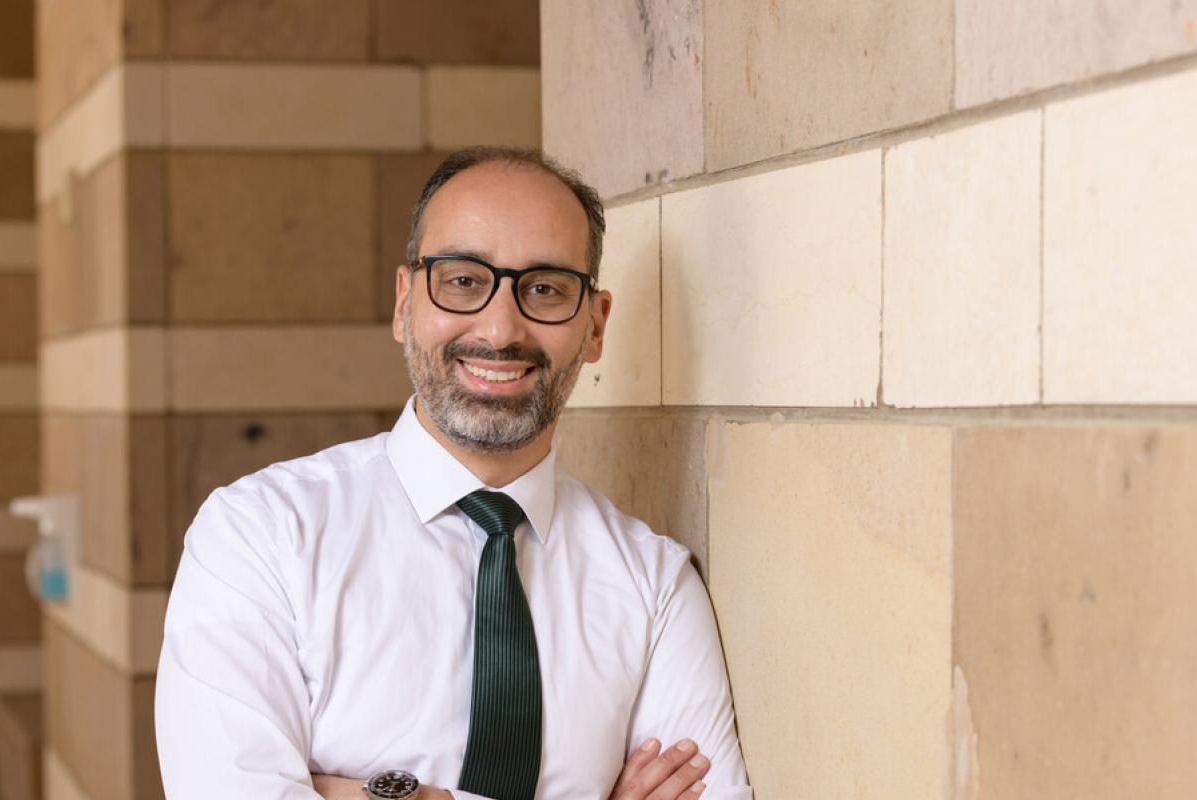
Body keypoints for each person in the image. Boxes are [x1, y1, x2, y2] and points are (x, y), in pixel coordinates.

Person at [154, 147, 751, 800]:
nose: (500, 329)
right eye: (464, 281)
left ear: (595, 324)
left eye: (545, 288)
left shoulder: (655, 588)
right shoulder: (257, 536)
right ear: (405, 302)